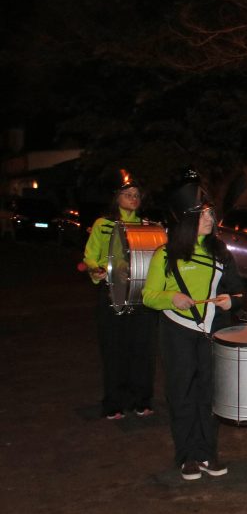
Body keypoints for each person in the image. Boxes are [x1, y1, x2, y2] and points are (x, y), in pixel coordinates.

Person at [142, 169, 245, 480]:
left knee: (209, 395)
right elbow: (149, 296)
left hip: (213, 330)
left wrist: (231, 302)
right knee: (182, 393)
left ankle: (207, 454)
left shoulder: (221, 252)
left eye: (211, 214)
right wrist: (171, 297)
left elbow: (238, 292)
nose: (210, 219)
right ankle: (186, 455)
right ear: (187, 219)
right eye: (203, 215)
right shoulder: (165, 255)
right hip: (177, 331)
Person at [82, 173, 157, 420]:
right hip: (112, 294)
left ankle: (141, 400)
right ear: (117, 198)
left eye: (137, 195)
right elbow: (90, 256)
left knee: (142, 349)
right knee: (114, 350)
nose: (133, 198)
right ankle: (114, 402)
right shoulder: (103, 224)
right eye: (128, 194)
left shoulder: (146, 226)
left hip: (141, 297)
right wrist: (97, 269)